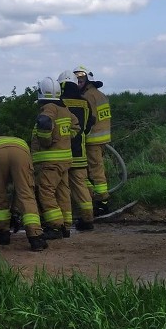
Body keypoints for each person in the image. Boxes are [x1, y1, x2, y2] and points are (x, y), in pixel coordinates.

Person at [0, 136, 48, 251]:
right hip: (21, 151)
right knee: (25, 192)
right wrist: (15, 213)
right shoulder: (19, 141)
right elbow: (20, 191)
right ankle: (36, 237)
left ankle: (3, 234)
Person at [30, 77, 79, 240]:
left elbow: (44, 123)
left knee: (46, 191)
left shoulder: (49, 107)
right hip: (64, 160)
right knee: (62, 192)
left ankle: (55, 226)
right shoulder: (64, 109)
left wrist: (47, 141)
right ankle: (65, 225)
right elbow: (75, 126)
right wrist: (64, 138)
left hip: (50, 161)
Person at [58, 71, 95, 231]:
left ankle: (64, 222)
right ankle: (88, 220)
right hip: (80, 152)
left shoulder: (60, 103)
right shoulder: (85, 103)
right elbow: (87, 127)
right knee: (80, 186)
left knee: (63, 187)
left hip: (61, 153)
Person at [72, 65, 112, 214]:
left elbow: (89, 119)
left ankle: (102, 202)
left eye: (81, 81)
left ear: (88, 81)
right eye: (77, 81)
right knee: (97, 169)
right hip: (102, 139)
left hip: (92, 140)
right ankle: (98, 199)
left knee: (94, 171)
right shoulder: (100, 95)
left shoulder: (88, 96)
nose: (78, 84)